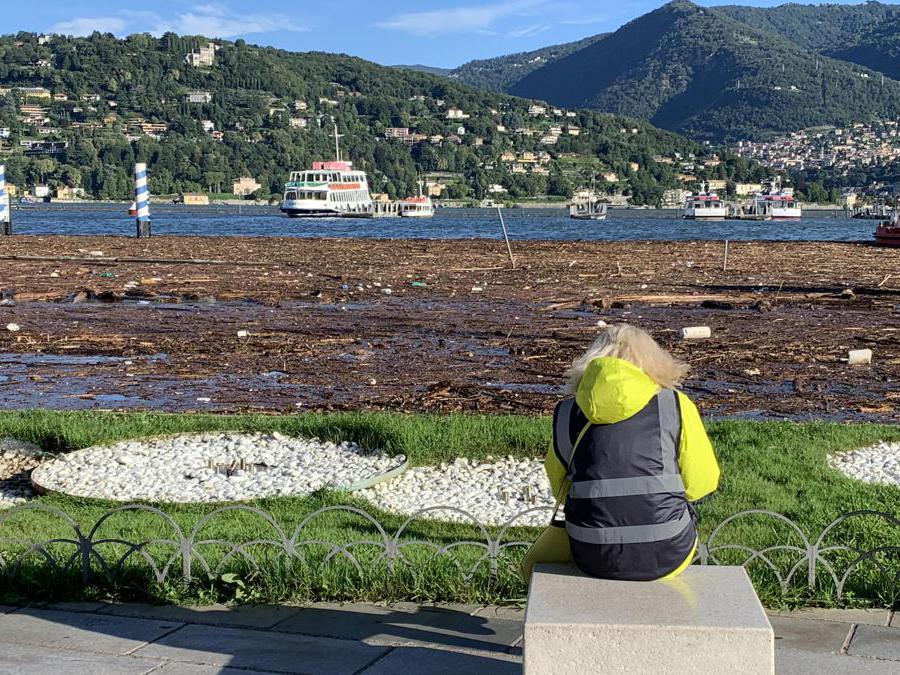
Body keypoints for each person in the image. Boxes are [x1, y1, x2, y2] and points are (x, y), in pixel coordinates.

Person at [524, 324, 720, 582]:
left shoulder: (567, 413)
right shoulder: (675, 405)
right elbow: (701, 483)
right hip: (668, 551)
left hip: (590, 552)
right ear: (654, 361)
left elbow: (558, 484)